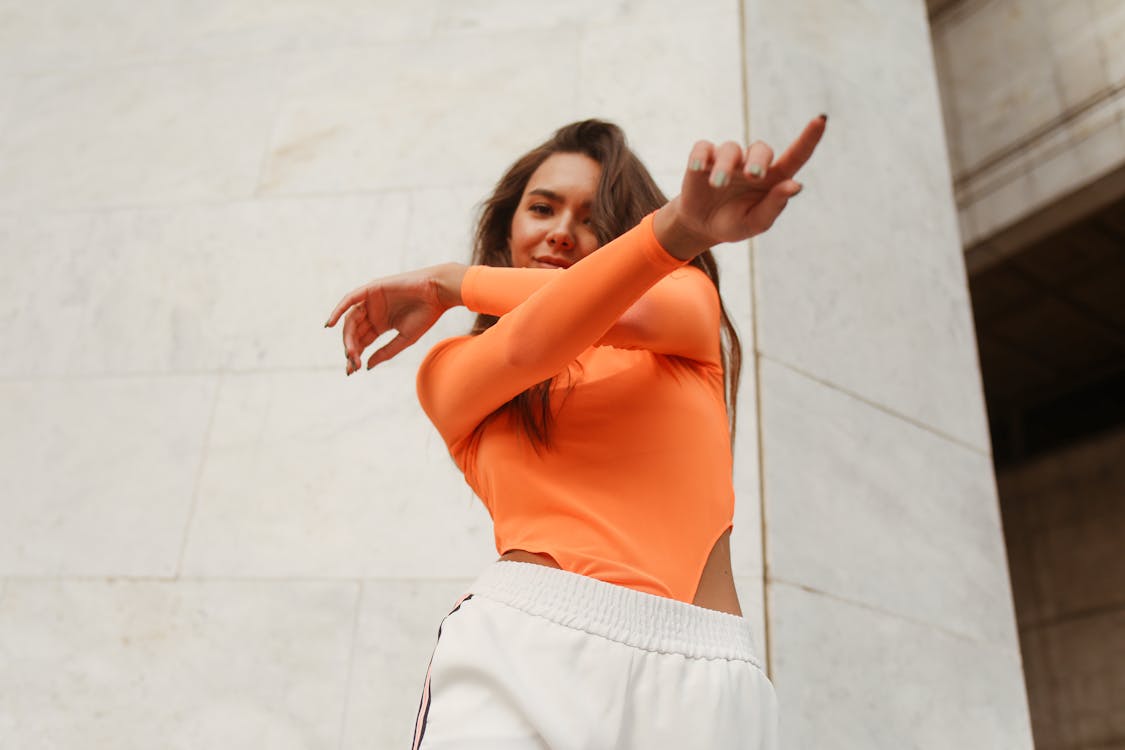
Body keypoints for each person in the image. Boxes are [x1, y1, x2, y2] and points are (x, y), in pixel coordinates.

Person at [325, 115, 826, 749]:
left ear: (621, 233)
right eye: (542, 208)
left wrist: (680, 231)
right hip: (527, 643)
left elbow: (630, 304)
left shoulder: (684, 305)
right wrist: (453, 284)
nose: (562, 232)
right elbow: (527, 345)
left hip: (704, 678)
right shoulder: (449, 370)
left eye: (591, 217)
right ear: (506, 228)